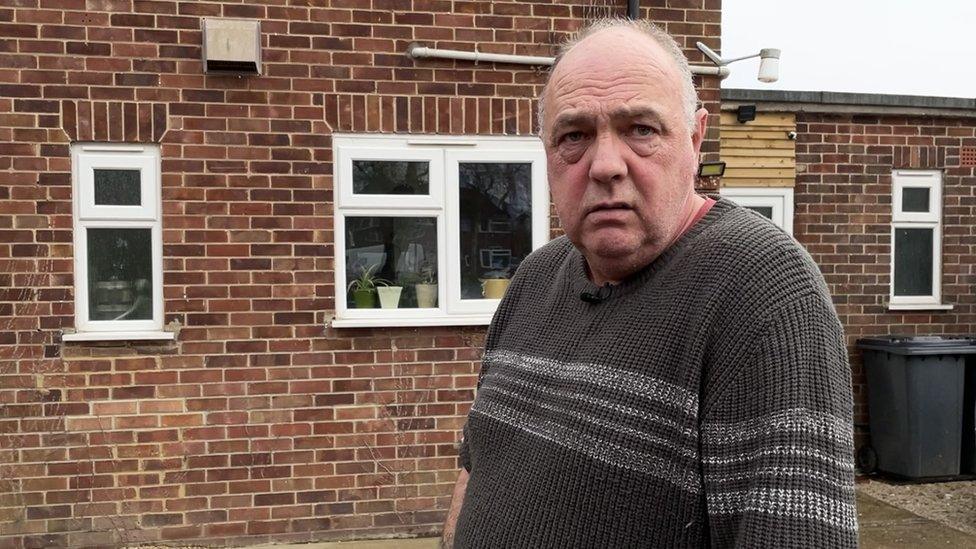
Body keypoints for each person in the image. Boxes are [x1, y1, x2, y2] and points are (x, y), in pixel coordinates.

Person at [441, 18, 857, 549]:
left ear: (695, 139)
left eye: (641, 129)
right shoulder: (533, 278)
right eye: (575, 136)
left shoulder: (762, 292)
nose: (605, 165)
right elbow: (478, 465)